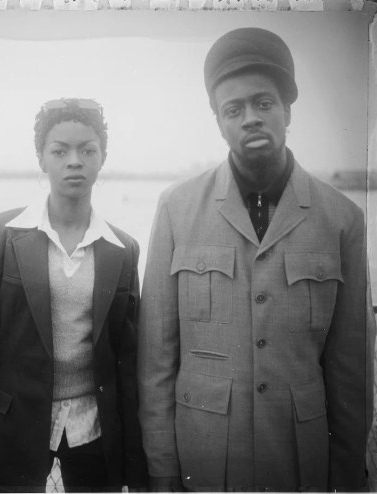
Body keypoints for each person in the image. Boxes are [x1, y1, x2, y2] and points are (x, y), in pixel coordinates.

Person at [138, 27, 375, 492]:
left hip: (299, 467)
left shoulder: (342, 219)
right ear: (218, 122)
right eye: (233, 109)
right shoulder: (176, 209)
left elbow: (352, 370)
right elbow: (156, 363)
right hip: (203, 465)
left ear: (287, 110)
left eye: (263, 103)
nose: (250, 119)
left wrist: (347, 479)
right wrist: (163, 473)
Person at [0, 98, 148, 492]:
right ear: (42, 158)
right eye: (60, 151)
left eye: (87, 150)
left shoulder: (122, 248)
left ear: (102, 158)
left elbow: (128, 363)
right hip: (15, 428)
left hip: (94, 427)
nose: (74, 161)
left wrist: (136, 468)